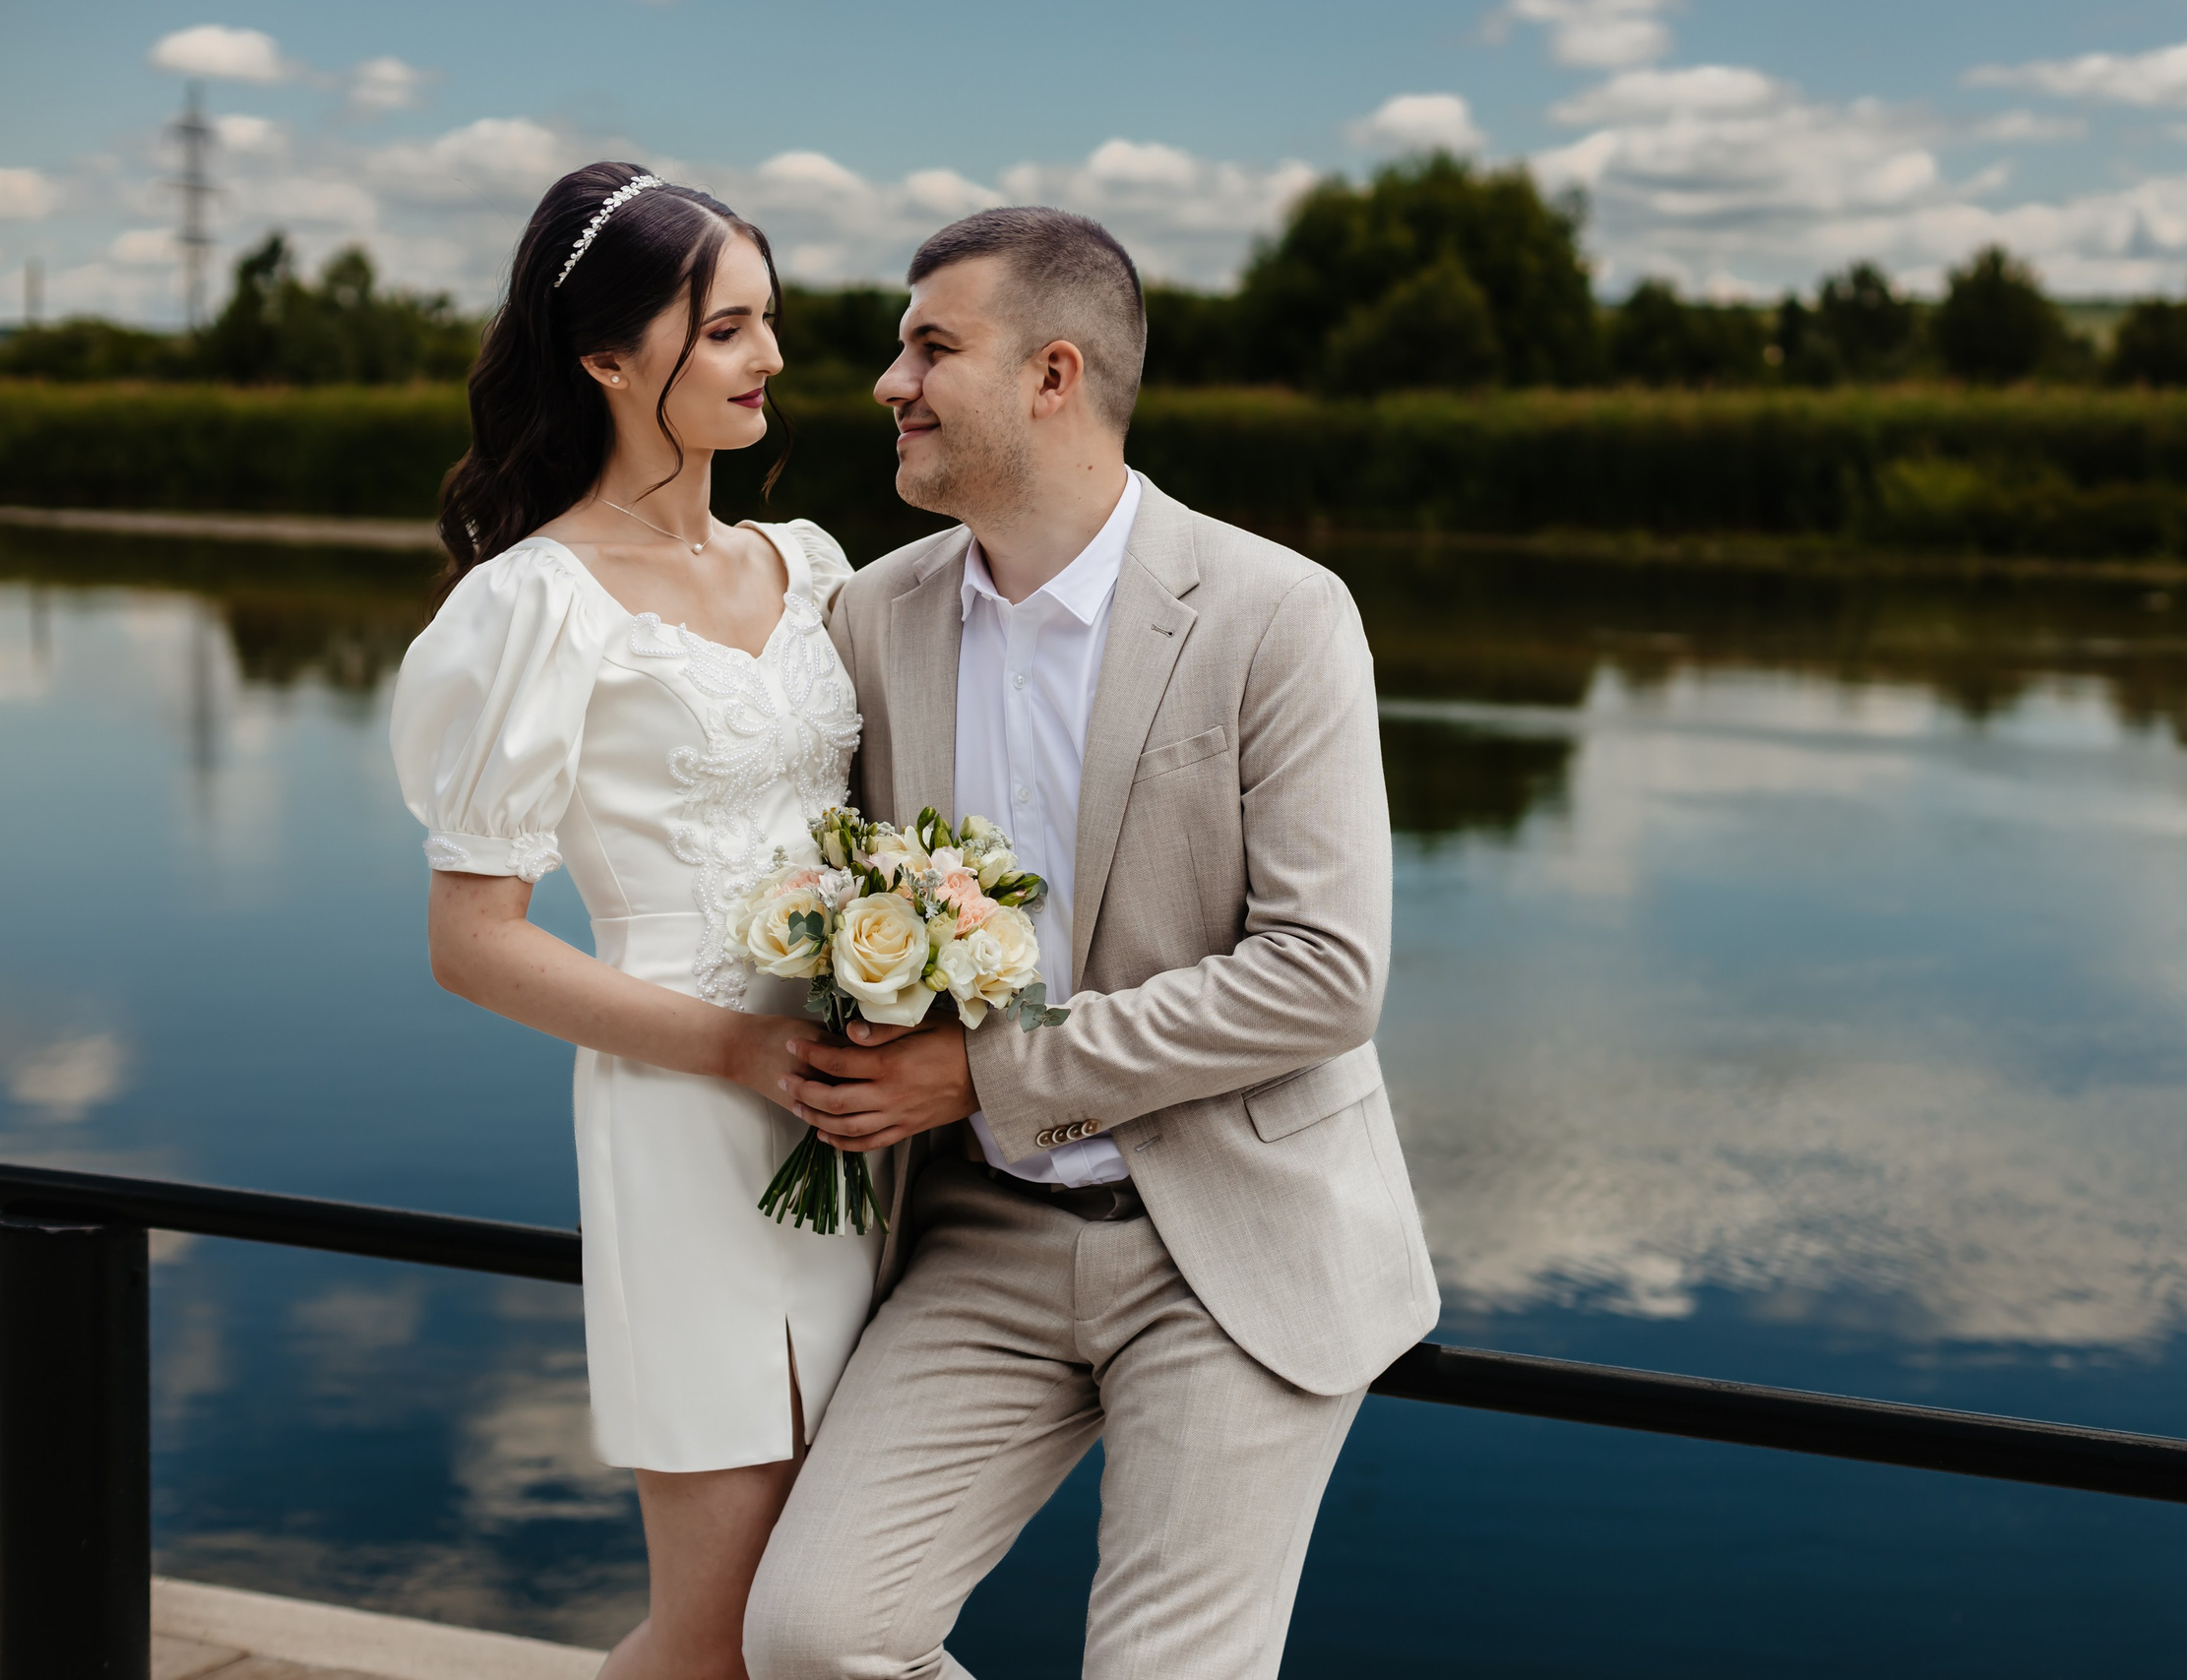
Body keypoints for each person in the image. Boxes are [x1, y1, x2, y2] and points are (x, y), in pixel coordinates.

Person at [742, 207, 1440, 1680]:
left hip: (1232, 1239)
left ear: (1054, 375)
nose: (888, 379)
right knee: (811, 1641)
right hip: (980, 1243)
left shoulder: (1278, 615)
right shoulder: (875, 617)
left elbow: (1325, 976)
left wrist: (987, 1074)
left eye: (931, 345)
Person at [387, 162, 875, 1680]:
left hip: (868, 1126)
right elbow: (471, 940)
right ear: (607, 358)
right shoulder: (531, 606)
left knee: (836, 1617)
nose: (769, 360)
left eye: (767, 323)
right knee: (721, 1635)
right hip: (687, 1118)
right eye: (724, 328)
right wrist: (738, 1050)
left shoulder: (812, 571)